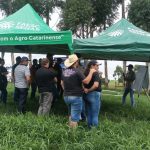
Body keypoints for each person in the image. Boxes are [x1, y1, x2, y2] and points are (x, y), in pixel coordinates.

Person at [61, 54, 96, 128]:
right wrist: (91, 72)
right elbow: (86, 81)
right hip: (75, 96)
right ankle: (73, 136)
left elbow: (61, 83)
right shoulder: (77, 71)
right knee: (75, 118)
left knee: (71, 114)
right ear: (76, 62)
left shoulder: (64, 71)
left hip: (66, 96)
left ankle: (69, 130)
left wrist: (67, 90)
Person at [83, 60, 102, 128]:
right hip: (94, 94)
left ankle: (89, 128)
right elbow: (96, 85)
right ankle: (94, 133)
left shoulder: (84, 72)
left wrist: (85, 89)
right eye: (97, 65)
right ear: (92, 66)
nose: (98, 67)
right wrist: (89, 90)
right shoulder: (95, 73)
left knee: (89, 114)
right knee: (95, 115)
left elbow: (81, 82)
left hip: (86, 95)